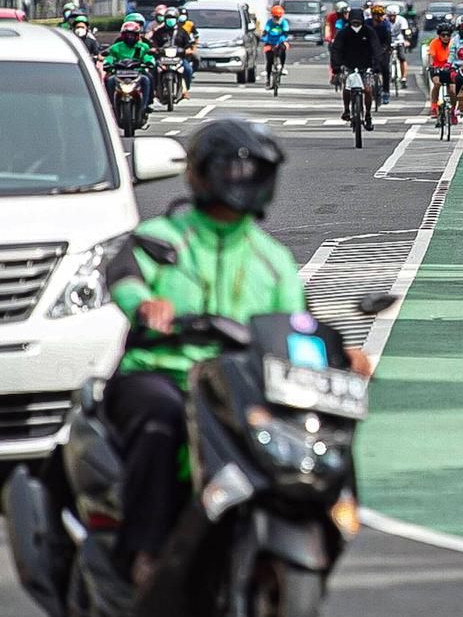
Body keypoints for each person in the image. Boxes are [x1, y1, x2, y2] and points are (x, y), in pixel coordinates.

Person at [102, 118, 373, 588]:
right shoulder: (165, 236)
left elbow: (299, 324)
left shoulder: (273, 259)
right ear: (202, 174)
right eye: (230, 170)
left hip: (240, 385)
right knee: (162, 422)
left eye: (252, 172)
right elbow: (124, 274)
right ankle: (144, 551)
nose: (241, 182)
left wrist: (342, 353)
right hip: (163, 373)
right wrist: (145, 304)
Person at [330, 8, 379, 130]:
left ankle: (367, 115)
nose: (356, 24)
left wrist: (377, 65)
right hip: (349, 65)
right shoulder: (343, 33)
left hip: (365, 65)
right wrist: (336, 66)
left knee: (367, 90)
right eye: (353, 21)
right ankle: (347, 110)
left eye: (358, 21)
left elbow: (376, 48)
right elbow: (336, 49)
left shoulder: (369, 32)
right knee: (347, 87)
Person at [104, 21, 155, 111]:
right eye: (127, 34)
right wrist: (107, 63)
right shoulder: (116, 47)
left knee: (147, 79)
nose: (130, 37)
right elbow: (110, 57)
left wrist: (149, 62)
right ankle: (110, 106)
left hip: (137, 73)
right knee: (110, 80)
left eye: (132, 35)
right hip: (120, 74)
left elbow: (147, 56)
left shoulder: (143, 46)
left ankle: (145, 105)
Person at [151, 8, 196, 98]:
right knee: (154, 69)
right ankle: (155, 90)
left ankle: (185, 90)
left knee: (188, 70)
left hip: (178, 58)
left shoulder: (182, 31)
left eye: (172, 18)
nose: (170, 20)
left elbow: (188, 44)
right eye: (168, 18)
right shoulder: (159, 32)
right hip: (163, 58)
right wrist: (154, 49)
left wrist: (187, 50)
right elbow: (153, 43)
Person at [426, 21, 455, 117]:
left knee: (452, 89)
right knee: (437, 83)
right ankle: (434, 107)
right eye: (443, 35)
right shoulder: (434, 43)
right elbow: (431, 55)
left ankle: (453, 109)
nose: (446, 37)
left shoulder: (453, 43)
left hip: (450, 69)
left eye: (448, 35)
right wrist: (431, 66)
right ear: (439, 35)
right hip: (437, 69)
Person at [367, 4, 394, 105]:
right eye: (378, 15)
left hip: (383, 48)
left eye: (382, 15)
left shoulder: (385, 25)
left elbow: (388, 40)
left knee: (385, 69)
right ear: (373, 15)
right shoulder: (367, 24)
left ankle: (386, 92)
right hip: (370, 48)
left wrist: (387, 49)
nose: (381, 17)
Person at [262, 5, 290, 85]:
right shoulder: (269, 22)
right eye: (275, 17)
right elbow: (266, 30)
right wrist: (264, 35)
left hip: (280, 42)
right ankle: (268, 78)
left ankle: (282, 66)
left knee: (283, 49)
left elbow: (286, 30)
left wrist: (285, 34)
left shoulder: (284, 22)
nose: (276, 19)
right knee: (269, 60)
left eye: (278, 17)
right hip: (270, 42)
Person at [387, 4, 413, 85]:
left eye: (393, 16)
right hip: (389, 40)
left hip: (399, 39)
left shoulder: (402, 20)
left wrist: (406, 41)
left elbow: (406, 32)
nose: (391, 18)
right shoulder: (385, 21)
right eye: (390, 16)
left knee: (402, 57)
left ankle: (404, 77)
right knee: (385, 58)